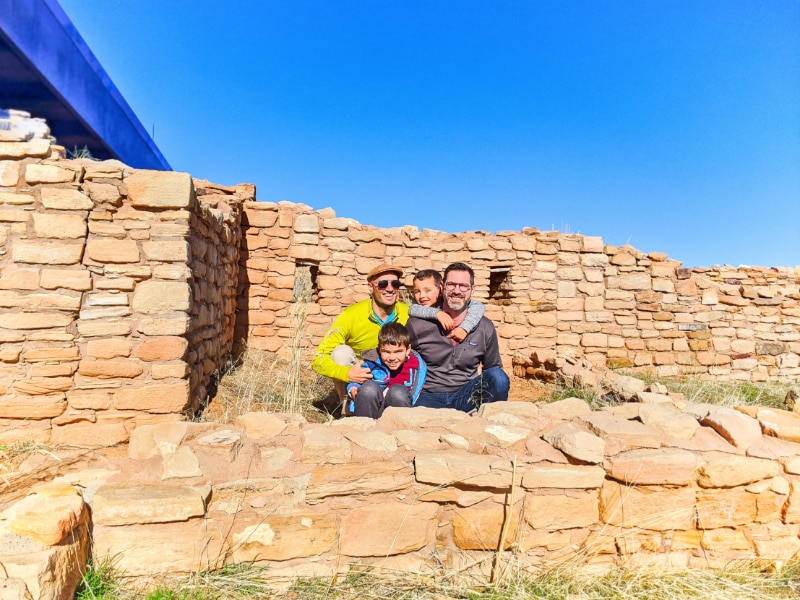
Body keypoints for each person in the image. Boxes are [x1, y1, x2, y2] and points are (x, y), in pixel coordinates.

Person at [407, 262, 510, 414]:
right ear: (442, 287)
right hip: (428, 396)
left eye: (463, 286)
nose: (456, 291)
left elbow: (492, 368)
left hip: (466, 395)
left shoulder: (484, 327)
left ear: (472, 290)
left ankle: (487, 421)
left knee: (498, 377)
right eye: (451, 285)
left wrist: (483, 402)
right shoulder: (417, 325)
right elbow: (399, 355)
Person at [311, 263, 409, 410]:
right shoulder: (351, 315)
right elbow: (318, 359)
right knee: (341, 353)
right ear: (370, 287)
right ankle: (348, 407)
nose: (390, 289)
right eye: (382, 284)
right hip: (364, 375)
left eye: (395, 284)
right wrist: (347, 374)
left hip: (397, 374)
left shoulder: (407, 314)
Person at [344, 322, 426, 418]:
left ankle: (398, 429)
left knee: (397, 391)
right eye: (386, 352)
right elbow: (357, 379)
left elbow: (419, 388)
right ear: (379, 350)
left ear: (408, 349)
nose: (392, 357)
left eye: (398, 351)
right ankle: (365, 426)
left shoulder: (415, 364)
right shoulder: (372, 362)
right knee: (369, 388)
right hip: (374, 408)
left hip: (399, 409)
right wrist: (353, 388)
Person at [409, 269, 485, 342]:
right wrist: (438, 314)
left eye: (428, 290)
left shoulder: (448, 301)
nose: (422, 295)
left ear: (441, 289)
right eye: (417, 291)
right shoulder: (417, 306)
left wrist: (464, 328)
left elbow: (478, 306)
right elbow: (413, 309)